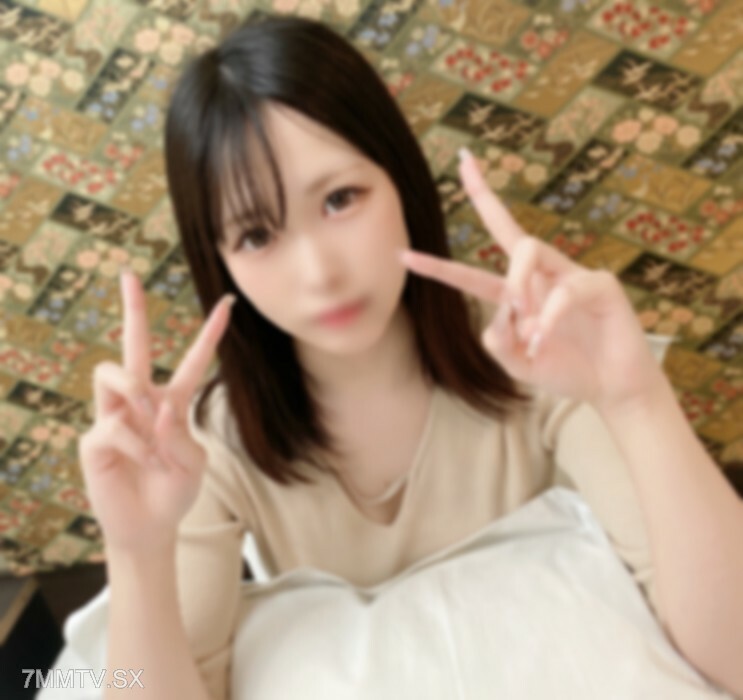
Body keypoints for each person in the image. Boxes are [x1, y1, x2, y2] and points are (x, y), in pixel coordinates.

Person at [77, 12, 743, 700]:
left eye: (340, 199)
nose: (319, 273)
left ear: (401, 180)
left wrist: (636, 401)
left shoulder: (540, 355)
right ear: (220, 264)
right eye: (256, 236)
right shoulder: (205, 448)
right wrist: (136, 553)